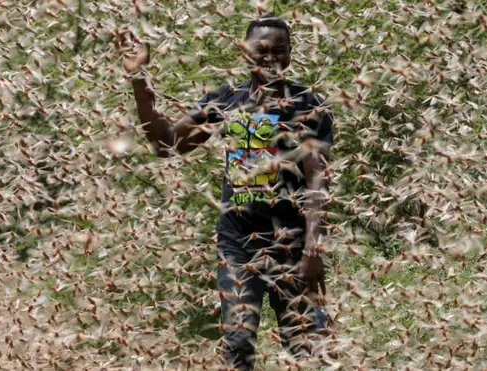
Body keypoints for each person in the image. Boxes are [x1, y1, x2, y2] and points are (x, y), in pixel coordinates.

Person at [116, 14, 334, 370]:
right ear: (245, 52)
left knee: (305, 347)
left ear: (291, 54)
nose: (270, 59)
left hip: (293, 244)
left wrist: (313, 248)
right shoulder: (227, 101)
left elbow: (317, 180)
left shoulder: (310, 106)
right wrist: (139, 77)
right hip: (237, 242)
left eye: (279, 51)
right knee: (237, 342)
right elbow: (166, 144)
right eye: (260, 50)